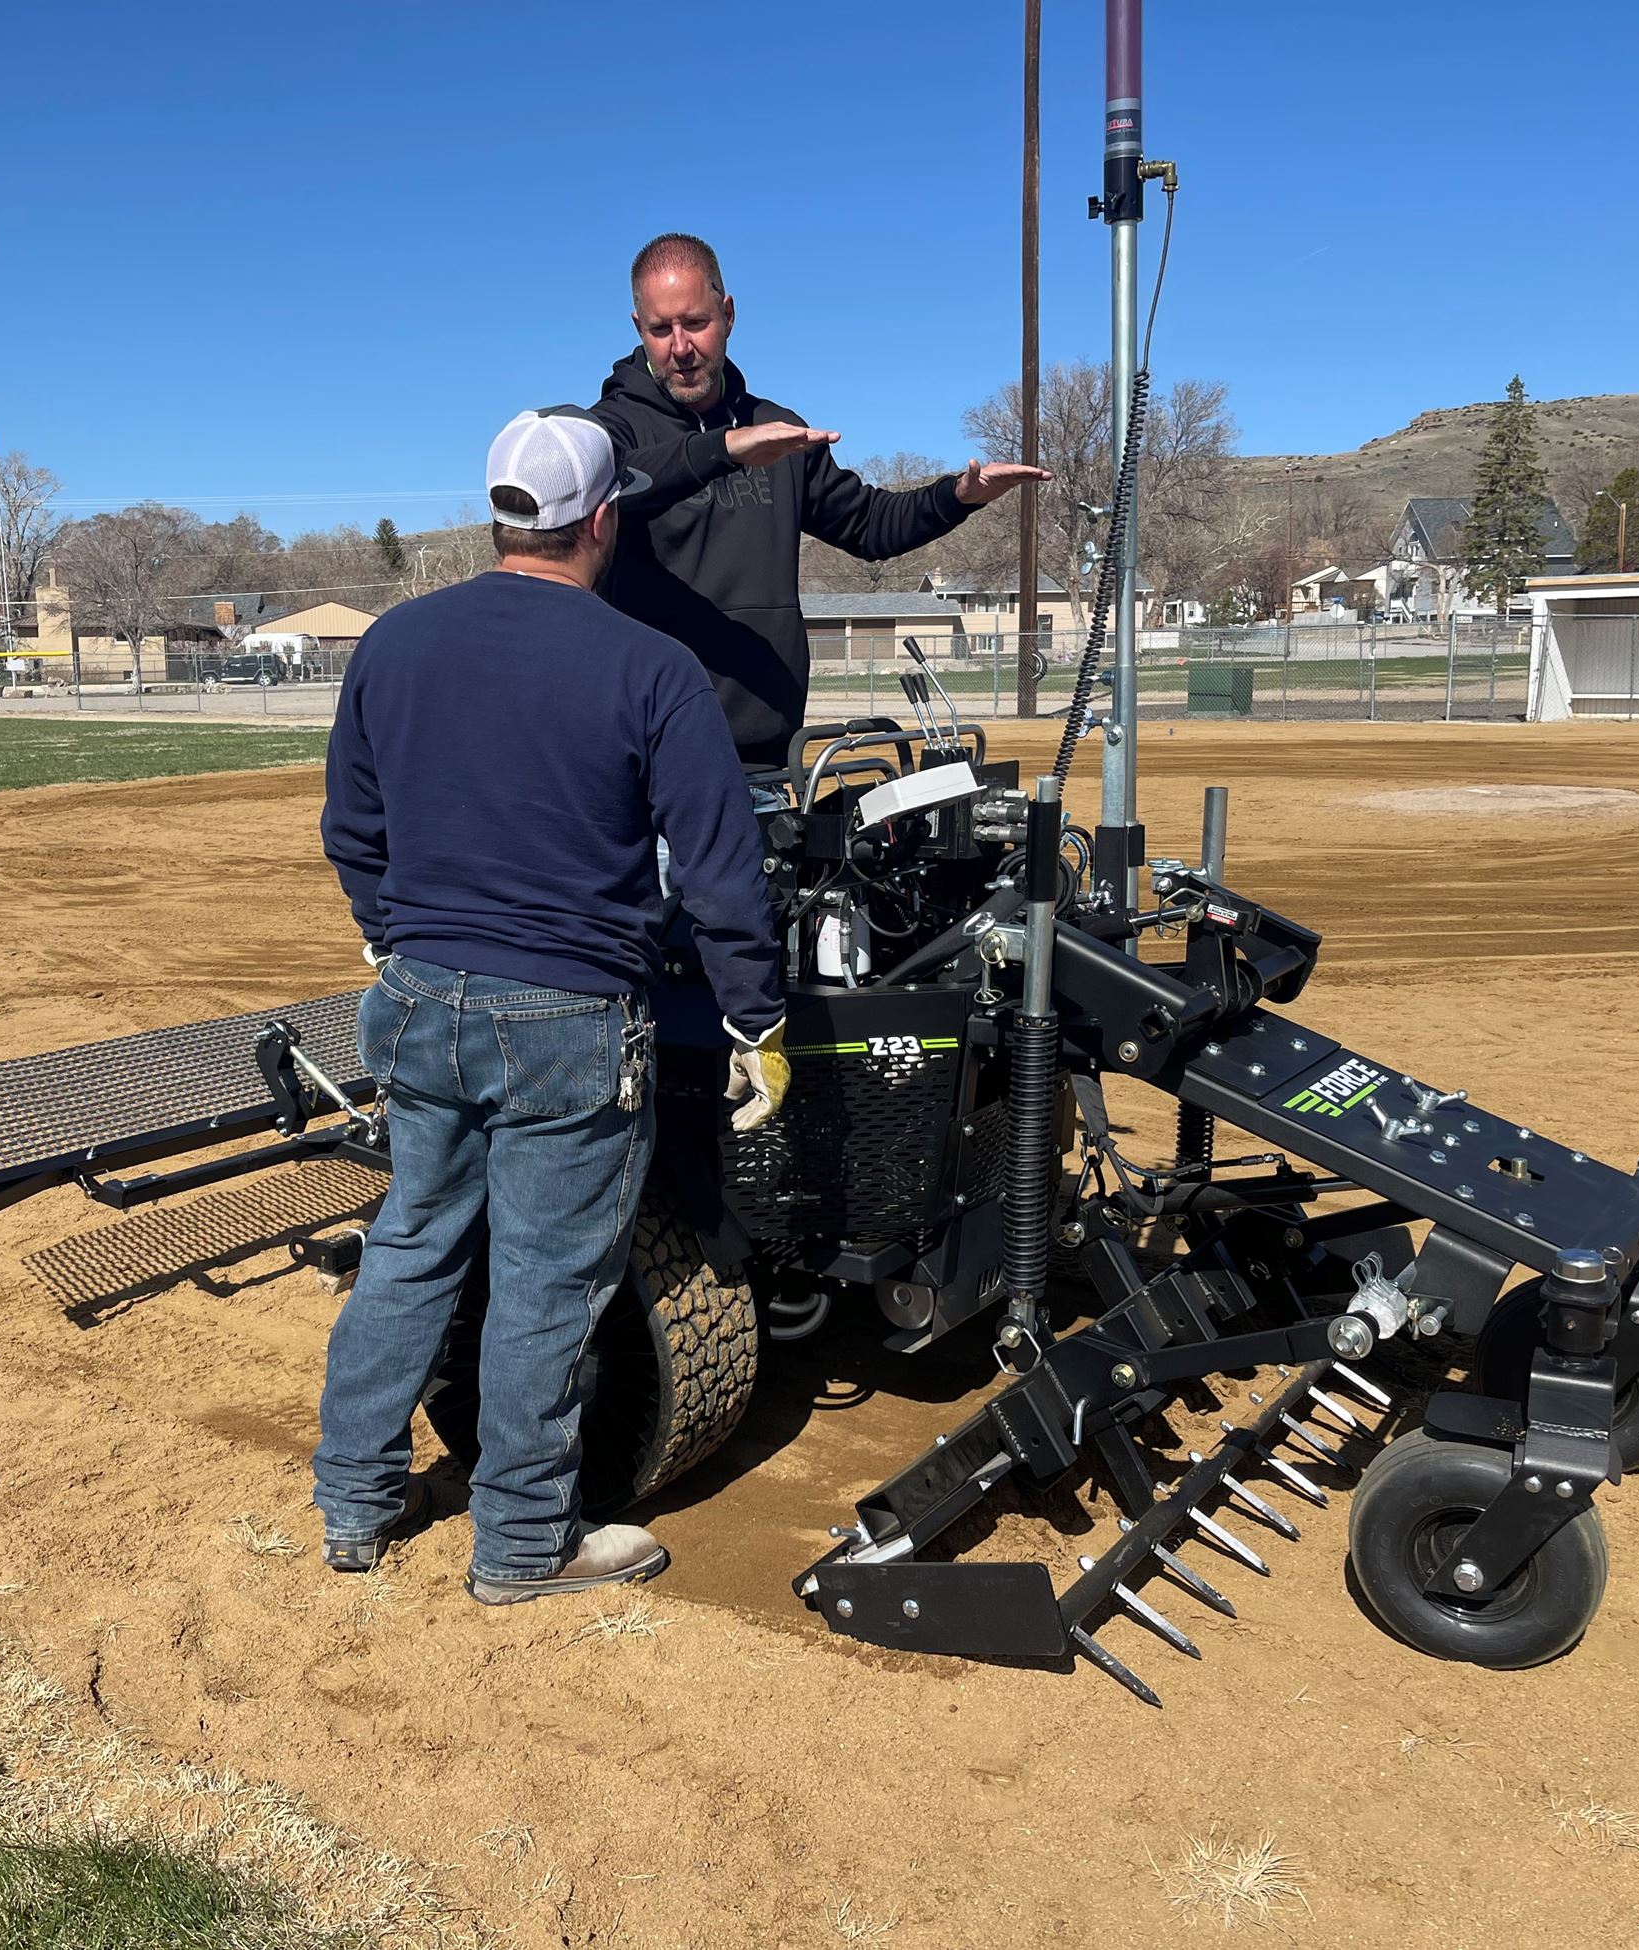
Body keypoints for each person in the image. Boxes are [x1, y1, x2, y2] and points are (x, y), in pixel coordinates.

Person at [313, 406, 791, 1605]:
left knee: (415, 1244)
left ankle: (354, 1503)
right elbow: (722, 869)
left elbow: (353, 830)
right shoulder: (645, 665)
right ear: (605, 520)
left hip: (420, 999)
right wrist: (754, 1021)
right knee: (544, 1283)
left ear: (499, 517)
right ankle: (525, 1543)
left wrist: (392, 936)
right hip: (568, 1019)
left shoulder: (395, 644)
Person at [591, 232, 1052, 764]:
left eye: (695, 323)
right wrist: (722, 449)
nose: (680, 347)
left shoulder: (777, 431)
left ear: (728, 314)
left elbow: (870, 526)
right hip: (647, 749)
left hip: (768, 750)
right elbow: (612, 481)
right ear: (637, 329)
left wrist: (958, 496)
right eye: (660, 329)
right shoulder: (611, 430)